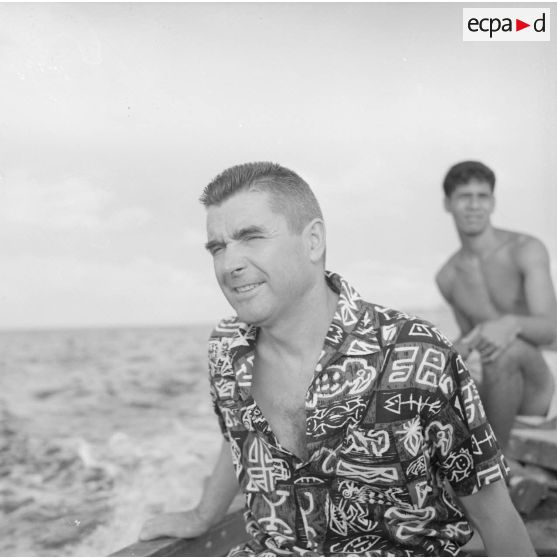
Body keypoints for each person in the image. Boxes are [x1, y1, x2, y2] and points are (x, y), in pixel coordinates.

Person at [140, 162, 535, 556]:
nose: (229, 265)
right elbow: (240, 434)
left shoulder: (414, 351)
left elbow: (497, 521)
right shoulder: (226, 349)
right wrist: (202, 515)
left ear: (313, 241)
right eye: (218, 247)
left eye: (251, 237)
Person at [436, 160, 557, 513]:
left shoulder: (525, 249)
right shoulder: (448, 276)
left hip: (541, 382)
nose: (474, 205)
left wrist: (509, 324)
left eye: (482, 196)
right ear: (448, 203)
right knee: (435, 369)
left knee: (505, 350)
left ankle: (494, 473)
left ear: (492, 201)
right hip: (494, 383)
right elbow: (468, 334)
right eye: (464, 197)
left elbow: (551, 328)